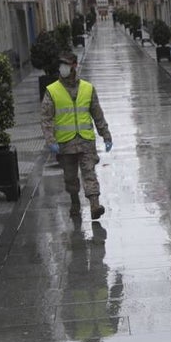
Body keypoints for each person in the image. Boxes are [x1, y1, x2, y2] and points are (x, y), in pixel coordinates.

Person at [41, 51, 113, 220]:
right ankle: (75, 202)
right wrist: (51, 140)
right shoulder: (52, 91)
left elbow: (97, 114)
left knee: (89, 173)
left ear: (74, 66)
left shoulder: (88, 88)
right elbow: (46, 118)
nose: (62, 68)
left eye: (66, 64)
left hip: (86, 140)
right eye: (61, 65)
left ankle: (95, 204)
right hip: (65, 143)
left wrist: (106, 135)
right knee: (70, 178)